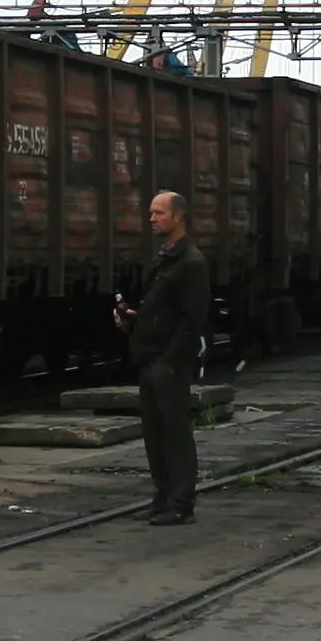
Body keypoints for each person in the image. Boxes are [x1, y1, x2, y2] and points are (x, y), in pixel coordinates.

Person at [112, 189, 210, 526]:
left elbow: (192, 319)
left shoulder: (191, 262)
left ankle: (181, 503)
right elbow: (162, 310)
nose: (151, 218)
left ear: (178, 216)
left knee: (175, 434)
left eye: (159, 213)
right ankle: (163, 498)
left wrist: (171, 363)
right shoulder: (164, 257)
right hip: (150, 359)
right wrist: (133, 317)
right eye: (151, 212)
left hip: (168, 364)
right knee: (155, 435)